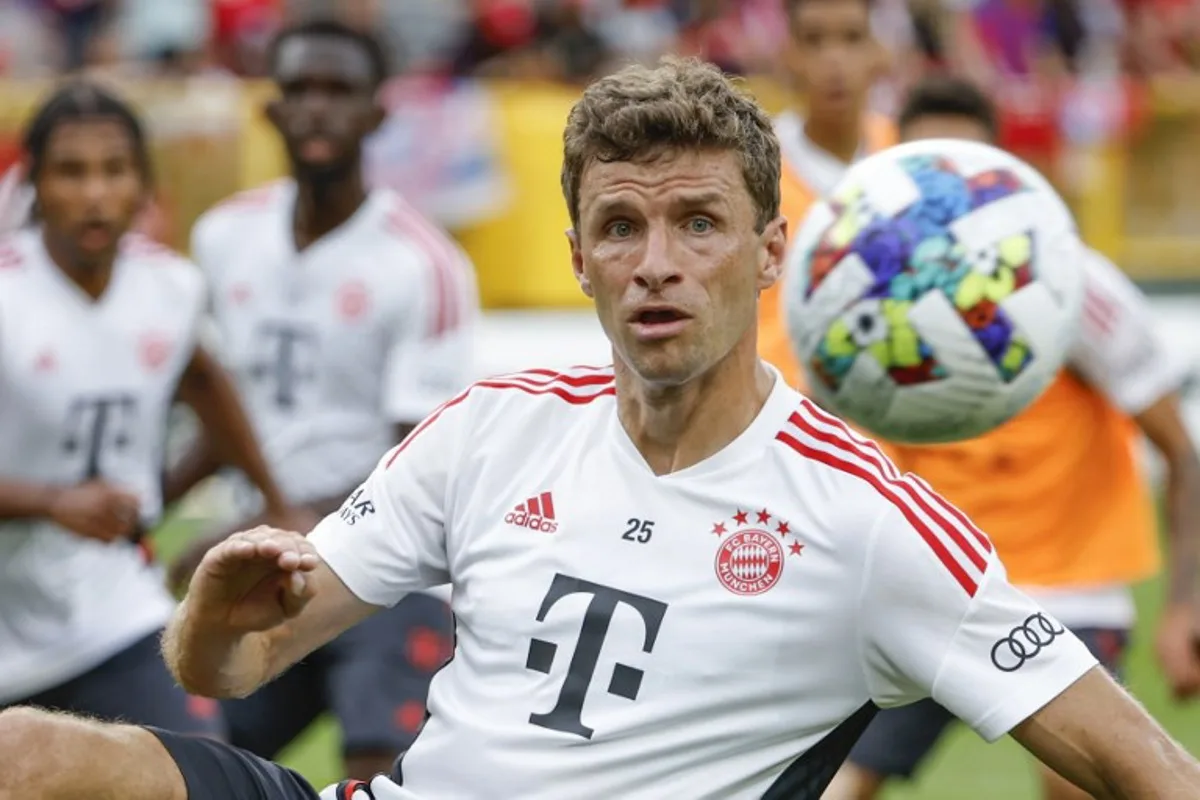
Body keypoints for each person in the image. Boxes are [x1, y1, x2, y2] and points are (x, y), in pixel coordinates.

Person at [3, 56, 1200, 800]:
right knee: (29, 755)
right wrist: (215, 620)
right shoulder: (491, 427)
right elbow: (227, 668)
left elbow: (1143, 765)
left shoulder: (871, 518)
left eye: (699, 223)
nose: (656, 263)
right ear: (578, 256)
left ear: (771, 252)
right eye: (622, 227)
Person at [822, 74, 1200, 800]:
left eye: (965, 170)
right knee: (834, 784)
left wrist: (1184, 606)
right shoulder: (860, 294)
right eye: (924, 169)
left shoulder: (1067, 283)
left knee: (1081, 783)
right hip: (931, 576)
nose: (944, 197)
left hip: (1070, 587)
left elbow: (1181, 450)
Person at [163, 19, 471, 781]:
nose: (317, 109)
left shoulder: (422, 261)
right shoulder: (225, 236)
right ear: (271, 108)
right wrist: (150, 512)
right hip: (264, 558)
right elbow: (227, 413)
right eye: (299, 89)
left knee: (379, 769)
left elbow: (422, 459)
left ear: (378, 112)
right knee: (184, 761)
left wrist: (292, 524)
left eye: (339, 90)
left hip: (384, 569)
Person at [0, 82, 297, 736]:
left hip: (113, 611)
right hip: (10, 615)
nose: (96, 193)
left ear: (144, 185)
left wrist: (274, 502)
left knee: (197, 764)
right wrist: (53, 502)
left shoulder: (171, 288)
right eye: (71, 172)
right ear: (35, 184)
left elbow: (204, 382)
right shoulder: (8, 296)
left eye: (115, 170)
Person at [759, 0, 898, 389]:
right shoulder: (752, 168)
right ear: (788, 54)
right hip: (785, 403)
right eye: (813, 40)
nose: (834, 60)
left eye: (852, 38)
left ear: (879, 52)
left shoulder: (909, 159)